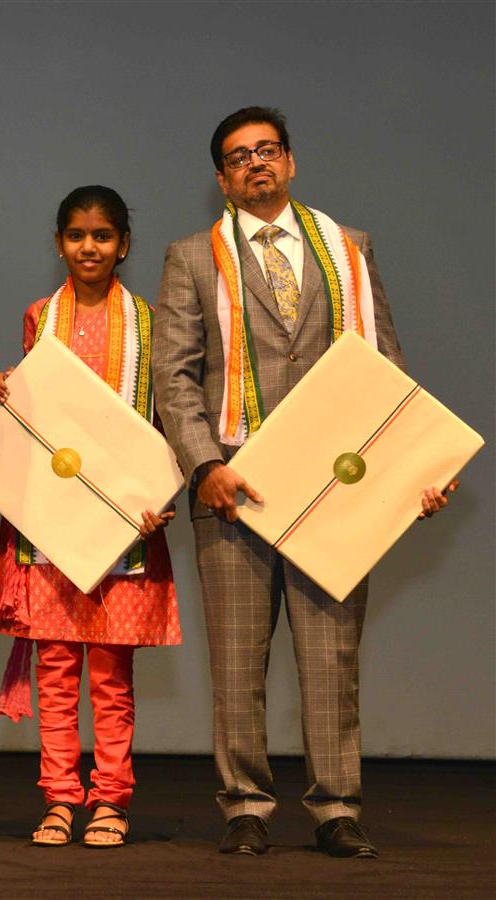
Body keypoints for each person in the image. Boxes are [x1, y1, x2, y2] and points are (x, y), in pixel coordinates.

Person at [153, 106, 455, 859]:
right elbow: (175, 378)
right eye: (238, 156)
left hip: (334, 493)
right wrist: (203, 465)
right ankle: (246, 807)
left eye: (268, 150)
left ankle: (336, 809)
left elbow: (386, 370)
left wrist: (412, 471)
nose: (256, 163)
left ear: (289, 163)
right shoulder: (194, 257)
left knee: (331, 659)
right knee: (237, 663)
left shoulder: (349, 249)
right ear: (221, 179)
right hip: (234, 490)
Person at [0, 186, 181, 849]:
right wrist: (4, 394)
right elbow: (39, 417)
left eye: (102, 236)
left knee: (111, 679)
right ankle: (61, 799)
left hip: (128, 524)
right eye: (75, 235)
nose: (88, 247)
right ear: (60, 242)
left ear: (124, 244)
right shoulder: (41, 318)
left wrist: (161, 492)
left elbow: (164, 422)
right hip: (52, 525)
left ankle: (112, 800)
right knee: (58, 672)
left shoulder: (151, 324)